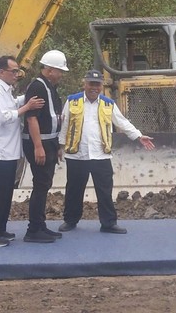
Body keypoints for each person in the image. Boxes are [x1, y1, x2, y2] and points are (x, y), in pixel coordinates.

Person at [57, 70, 155, 234]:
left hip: (100, 154)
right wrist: (60, 146)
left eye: (97, 84)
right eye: (91, 84)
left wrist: (138, 136)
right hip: (77, 154)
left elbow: (122, 122)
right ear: (84, 84)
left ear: (102, 86)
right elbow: (65, 124)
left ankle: (108, 223)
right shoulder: (72, 101)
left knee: (104, 191)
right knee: (74, 189)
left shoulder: (108, 103)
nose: (94, 88)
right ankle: (70, 220)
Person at [0, 56, 44, 247]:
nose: (17, 74)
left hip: (8, 151)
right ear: (1, 72)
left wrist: (27, 97)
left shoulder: (5, 90)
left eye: (17, 71)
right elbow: (4, 117)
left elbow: (12, 104)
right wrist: (27, 107)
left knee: (6, 192)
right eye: (13, 71)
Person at [22, 49, 68, 243]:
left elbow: (53, 117)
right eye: (59, 71)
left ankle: (40, 225)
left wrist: (56, 145)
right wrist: (38, 146)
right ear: (50, 70)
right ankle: (33, 230)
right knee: (40, 185)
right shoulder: (38, 87)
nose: (61, 74)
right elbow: (32, 118)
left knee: (45, 184)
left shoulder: (49, 87)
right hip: (38, 142)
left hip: (49, 141)